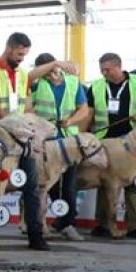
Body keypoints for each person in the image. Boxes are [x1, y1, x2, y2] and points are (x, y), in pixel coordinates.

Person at [0, 32, 77, 254]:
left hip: (21, 141)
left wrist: (30, 131)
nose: (21, 59)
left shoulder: (22, 75)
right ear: (10, 48)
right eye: (20, 54)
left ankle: (36, 235)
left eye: (25, 55)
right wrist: (18, 132)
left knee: (32, 187)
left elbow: (27, 107)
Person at [85, 53, 136, 239]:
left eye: (108, 69)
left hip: (133, 143)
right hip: (105, 142)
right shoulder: (96, 86)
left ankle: (135, 226)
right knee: (104, 183)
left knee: (134, 182)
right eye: (102, 70)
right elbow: (88, 114)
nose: (104, 73)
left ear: (118, 66)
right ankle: (103, 225)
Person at [30, 52, 91, 241]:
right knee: (47, 185)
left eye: (53, 69)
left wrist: (71, 120)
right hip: (44, 140)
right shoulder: (36, 83)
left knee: (69, 184)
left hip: (67, 141)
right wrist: (54, 63)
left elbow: (83, 109)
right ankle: (44, 223)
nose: (50, 73)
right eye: (46, 70)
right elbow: (30, 76)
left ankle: (68, 224)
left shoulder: (73, 83)